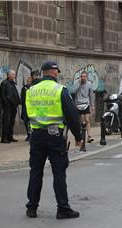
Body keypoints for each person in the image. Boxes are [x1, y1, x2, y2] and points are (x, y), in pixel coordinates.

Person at [25, 60, 83, 219]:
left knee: (35, 172)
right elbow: (72, 115)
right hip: (54, 137)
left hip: (36, 136)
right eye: (57, 71)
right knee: (58, 172)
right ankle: (63, 208)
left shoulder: (31, 90)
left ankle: (32, 208)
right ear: (55, 72)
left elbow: (25, 115)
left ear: (43, 72)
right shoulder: (60, 90)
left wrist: (31, 132)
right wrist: (78, 137)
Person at [71, 71, 95, 143]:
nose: (83, 78)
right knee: (80, 122)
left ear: (86, 77)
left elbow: (91, 95)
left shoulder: (89, 84)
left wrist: (92, 105)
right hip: (78, 104)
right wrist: (78, 84)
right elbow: (72, 91)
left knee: (87, 120)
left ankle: (89, 136)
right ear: (80, 77)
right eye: (82, 76)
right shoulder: (77, 83)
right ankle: (80, 137)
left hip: (86, 104)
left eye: (84, 76)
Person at [0, 70, 21, 143]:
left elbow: (15, 95)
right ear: (9, 75)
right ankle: (4, 138)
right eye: (13, 74)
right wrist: (7, 104)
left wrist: (18, 102)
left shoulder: (12, 84)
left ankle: (10, 137)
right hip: (7, 107)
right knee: (6, 122)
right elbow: (2, 95)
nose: (15, 75)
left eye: (14, 74)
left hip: (13, 106)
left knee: (11, 122)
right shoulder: (4, 83)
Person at [20, 76, 33, 141]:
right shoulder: (24, 88)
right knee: (26, 121)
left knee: (31, 122)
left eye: (29, 81)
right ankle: (28, 135)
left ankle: (31, 135)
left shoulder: (33, 88)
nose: (28, 83)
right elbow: (22, 98)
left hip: (32, 107)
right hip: (25, 107)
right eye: (27, 81)